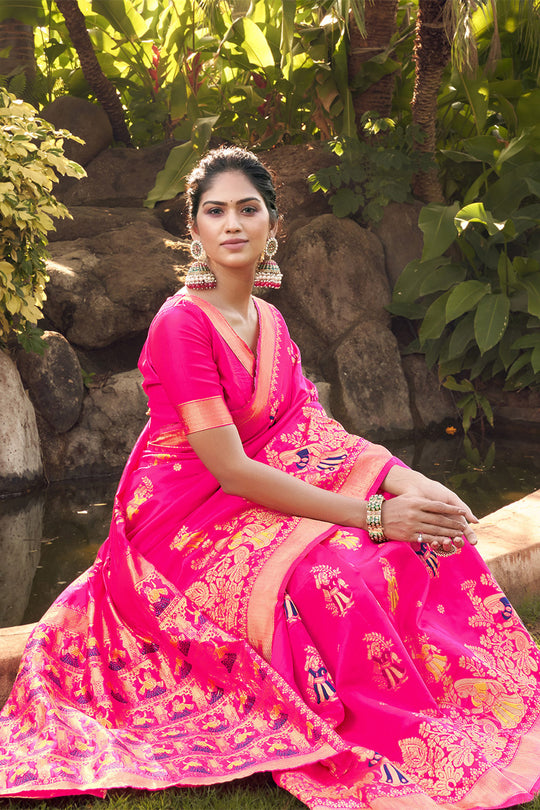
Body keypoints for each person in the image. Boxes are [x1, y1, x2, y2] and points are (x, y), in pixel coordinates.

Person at [0, 146, 539, 810]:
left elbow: (311, 432)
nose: (232, 224)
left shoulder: (273, 324)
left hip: (247, 499)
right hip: (181, 522)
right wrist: (373, 514)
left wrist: (408, 482)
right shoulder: (182, 324)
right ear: (193, 230)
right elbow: (229, 468)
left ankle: (452, 692)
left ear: (272, 226)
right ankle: (356, 718)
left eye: (247, 209)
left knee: (411, 545)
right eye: (214, 211)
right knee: (328, 576)